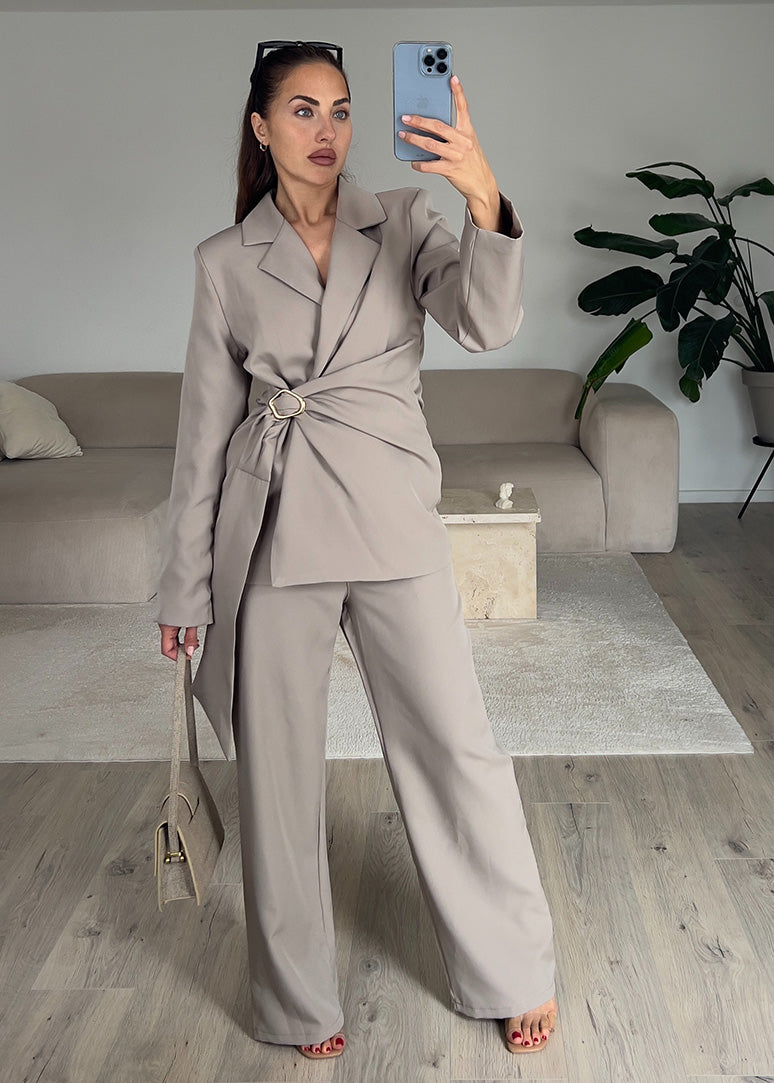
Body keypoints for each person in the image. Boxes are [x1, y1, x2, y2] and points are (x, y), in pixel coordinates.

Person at [155, 40, 558, 1061]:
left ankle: (511, 967)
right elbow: (202, 441)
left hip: (391, 516)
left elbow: (486, 323)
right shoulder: (223, 261)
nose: (326, 129)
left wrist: (482, 195)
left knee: (455, 748)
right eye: (302, 110)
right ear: (261, 127)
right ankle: (297, 1001)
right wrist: (185, 588)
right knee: (278, 778)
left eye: (339, 109)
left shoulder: (405, 218)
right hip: (274, 530)